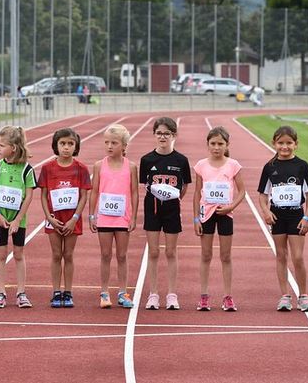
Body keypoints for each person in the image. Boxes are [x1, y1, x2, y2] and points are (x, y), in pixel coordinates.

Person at [257, 125, 308, 312]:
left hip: (296, 216)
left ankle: (304, 296)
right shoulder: (269, 167)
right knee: (281, 255)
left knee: (298, 257)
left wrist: (307, 217)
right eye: (281, 143)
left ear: (296, 144)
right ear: (274, 144)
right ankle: (284, 296)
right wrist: (266, 212)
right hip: (277, 216)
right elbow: (262, 194)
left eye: (289, 143)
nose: (285, 147)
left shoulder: (302, 166)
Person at [139, 117, 192, 310]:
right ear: (154, 135)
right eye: (159, 133)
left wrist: (173, 198)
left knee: (170, 251)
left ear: (174, 135)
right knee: (153, 252)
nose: (162, 137)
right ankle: (153, 294)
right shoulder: (146, 160)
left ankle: (171, 294)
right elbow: (144, 185)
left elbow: (185, 186)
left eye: (167, 133)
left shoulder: (181, 160)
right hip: (152, 209)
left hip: (172, 209)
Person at [193, 126, 245, 312]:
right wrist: (196, 219)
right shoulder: (201, 165)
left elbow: (242, 191)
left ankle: (228, 297)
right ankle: (204, 296)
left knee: (225, 256)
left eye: (220, 144)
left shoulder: (233, 165)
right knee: (206, 255)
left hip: (225, 214)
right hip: (206, 214)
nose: (216, 147)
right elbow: (196, 193)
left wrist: (231, 206)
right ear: (207, 144)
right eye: (213, 144)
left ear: (227, 145)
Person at [38, 128, 91, 308]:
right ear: (56, 145)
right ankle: (56, 292)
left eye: (70, 144)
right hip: (54, 217)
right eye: (62, 144)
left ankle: (68, 292)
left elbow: (84, 196)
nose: (66, 147)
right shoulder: (47, 168)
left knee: (68, 255)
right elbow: (43, 195)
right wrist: (49, 218)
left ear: (75, 146)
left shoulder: (81, 169)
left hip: (72, 219)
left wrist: (74, 218)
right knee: (55, 254)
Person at [0, 126, 37, 308]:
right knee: (1, 254)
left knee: (18, 254)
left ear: (13, 148)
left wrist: (17, 219)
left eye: (1, 145)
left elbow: (29, 196)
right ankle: (1, 293)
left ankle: (21, 293)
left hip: (18, 219)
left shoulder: (26, 170)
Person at [90, 124, 139, 309]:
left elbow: (134, 192)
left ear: (124, 145)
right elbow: (94, 191)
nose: (109, 146)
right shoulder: (98, 166)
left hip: (122, 217)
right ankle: (104, 292)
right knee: (105, 254)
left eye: (114, 143)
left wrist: (133, 216)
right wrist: (91, 215)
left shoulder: (131, 167)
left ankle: (122, 292)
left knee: (122, 255)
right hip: (104, 216)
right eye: (107, 142)